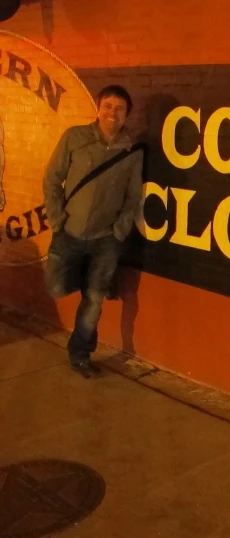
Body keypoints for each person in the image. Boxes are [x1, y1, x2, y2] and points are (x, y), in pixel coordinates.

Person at [42, 85, 143, 378]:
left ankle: (80, 354)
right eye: (108, 106)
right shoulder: (75, 138)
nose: (113, 113)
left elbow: (134, 196)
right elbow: (52, 179)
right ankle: (83, 282)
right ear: (98, 108)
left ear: (127, 115)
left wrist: (119, 231)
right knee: (56, 288)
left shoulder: (131, 151)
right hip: (69, 232)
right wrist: (57, 220)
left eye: (120, 109)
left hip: (105, 241)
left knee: (94, 298)